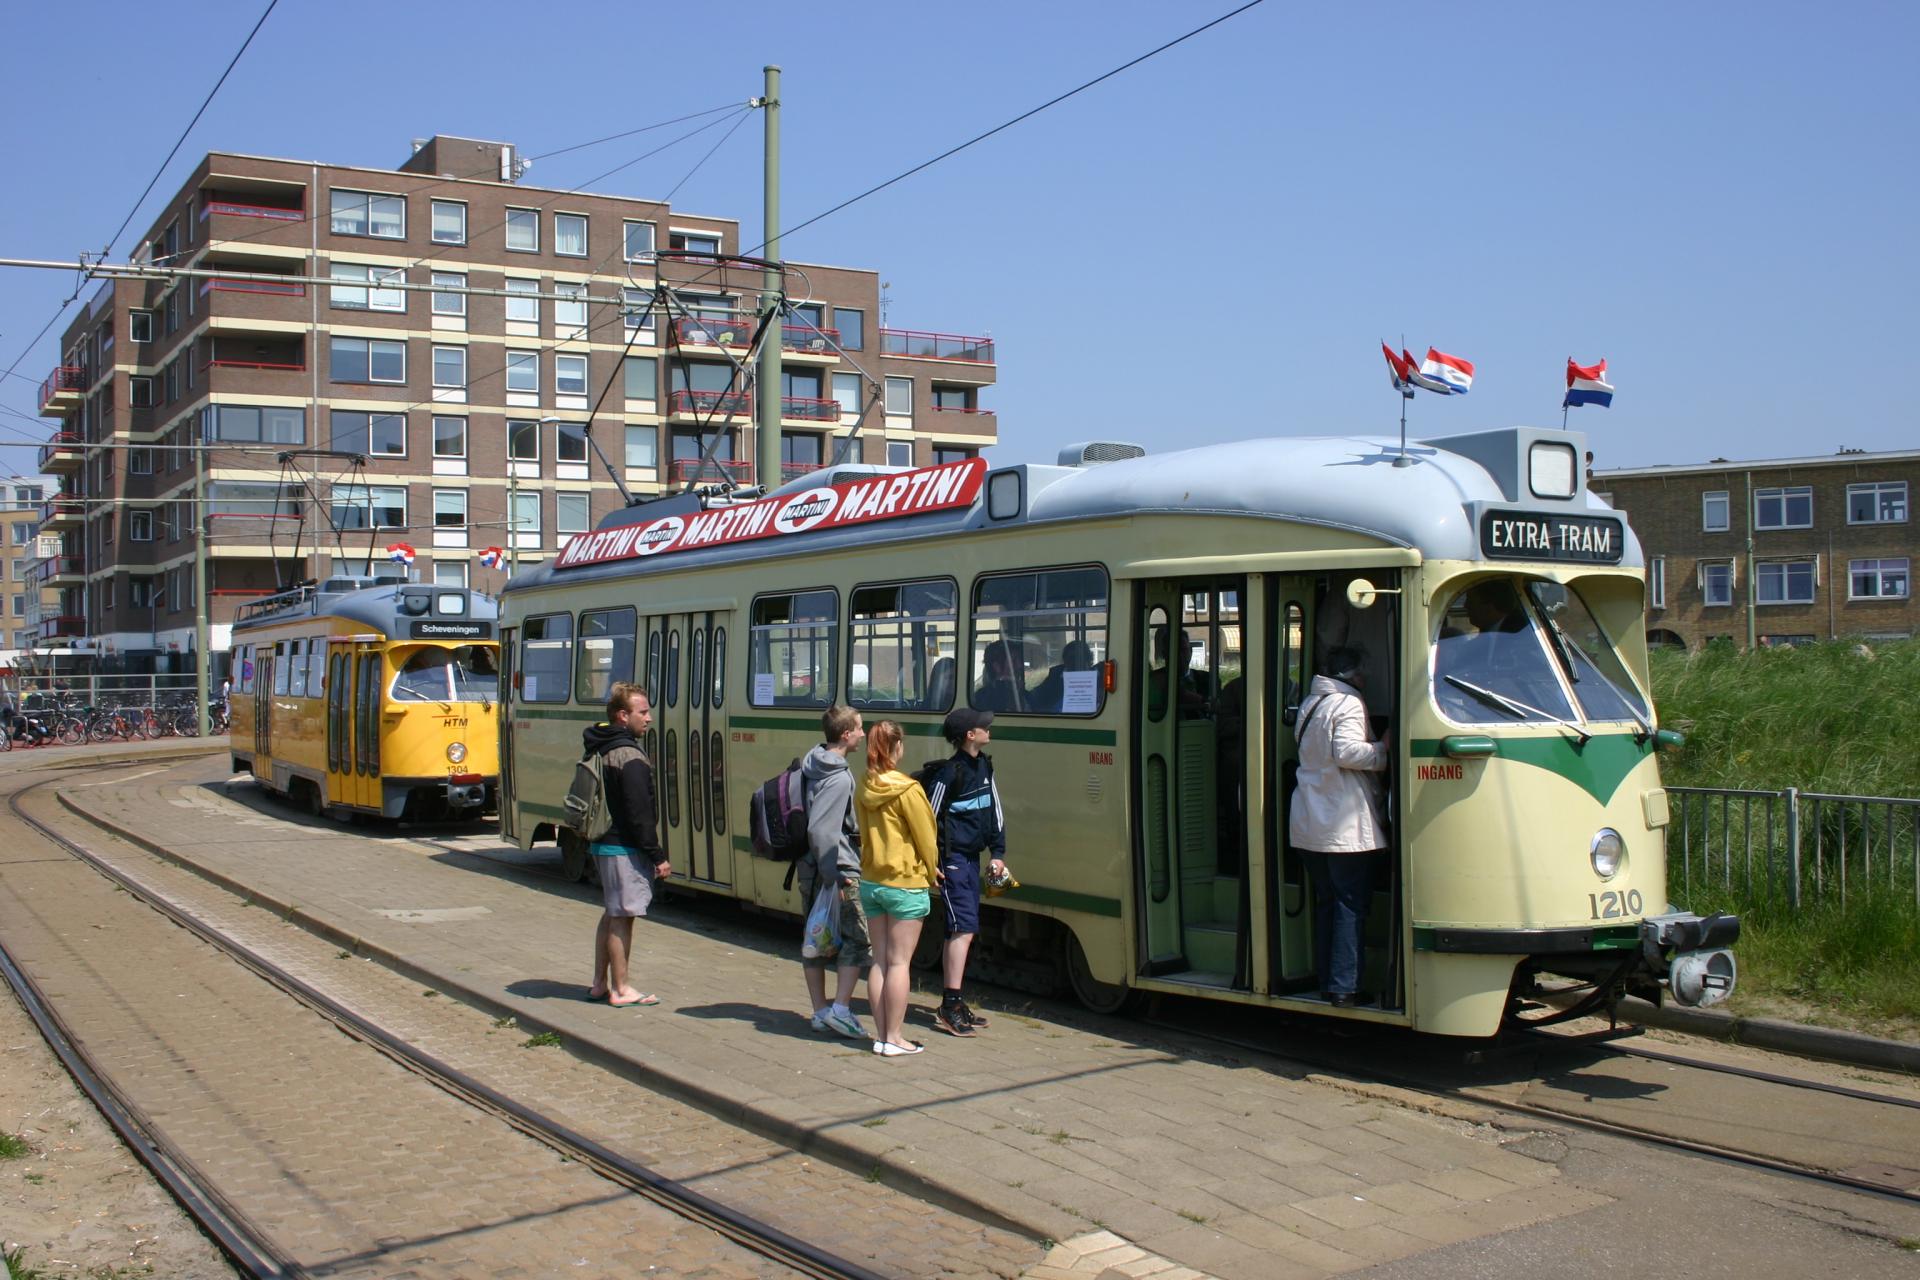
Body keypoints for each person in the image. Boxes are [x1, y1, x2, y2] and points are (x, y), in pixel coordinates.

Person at [1288, 645, 1389, 1008]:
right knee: (1350, 904)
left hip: (1309, 819)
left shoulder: (1310, 704)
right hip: (1342, 825)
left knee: (1329, 902)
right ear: (1353, 676)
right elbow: (1346, 753)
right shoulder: (1348, 704)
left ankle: (1329, 981)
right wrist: (1383, 749)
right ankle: (1345, 985)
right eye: (1363, 674)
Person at [581, 682, 671, 1007]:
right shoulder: (629, 756)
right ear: (623, 715)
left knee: (611, 913)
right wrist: (657, 856)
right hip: (623, 848)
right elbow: (639, 814)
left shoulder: (600, 746)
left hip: (603, 842)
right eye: (642, 712)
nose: (649, 718)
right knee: (622, 917)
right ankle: (620, 989)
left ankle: (598, 984)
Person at [855, 720, 940, 1057]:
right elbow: (926, 838)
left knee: (879, 961)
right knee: (900, 963)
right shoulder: (909, 790)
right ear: (897, 748)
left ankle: (880, 1036)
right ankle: (895, 1038)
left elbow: (862, 831)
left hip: (872, 881)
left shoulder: (864, 783)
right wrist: (932, 869)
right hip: (905, 884)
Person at [921, 708, 1007, 1037]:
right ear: (970, 735)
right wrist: (931, 863)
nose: (989, 729)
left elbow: (995, 809)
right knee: (963, 929)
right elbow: (927, 819)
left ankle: (955, 1001)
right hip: (953, 859)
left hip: (972, 858)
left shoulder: (984, 765)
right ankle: (950, 1003)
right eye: (983, 727)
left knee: (962, 929)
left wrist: (998, 853)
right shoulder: (949, 774)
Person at [799, 705, 873, 1041]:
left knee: (816, 939)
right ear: (846, 735)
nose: (863, 733)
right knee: (857, 941)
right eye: (859, 728)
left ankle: (819, 1012)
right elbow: (822, 831)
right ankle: (840, 1011)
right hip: (836, 869)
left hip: (809, 867)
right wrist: (834, 876)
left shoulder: (812, 761)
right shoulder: (839, 777)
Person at [1028, 640, 1094, 713]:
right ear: (1066, 662)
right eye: (1072, 662)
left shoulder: (1095, 677)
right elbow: (1036, 697)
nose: (1077, 669)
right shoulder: (1054, 676)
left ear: (1088, 662)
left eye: (1083, 663)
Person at [973, 640, 1024, 712]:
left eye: (1020, 660)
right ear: (997, 666)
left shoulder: (1023, 693)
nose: (1020, 666)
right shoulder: (984, 699)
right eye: (1014, 661)